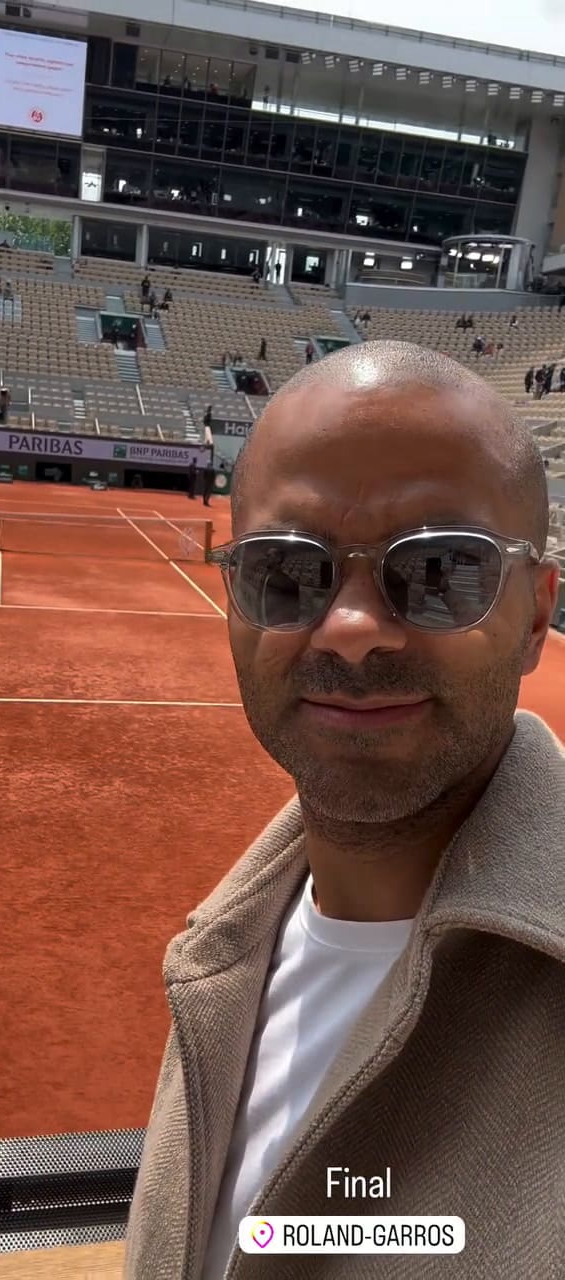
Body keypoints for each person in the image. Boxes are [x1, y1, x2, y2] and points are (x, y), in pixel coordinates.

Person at [124, 340, 563, 1280]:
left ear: (536, 614)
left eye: (443, 569)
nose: (354, 630)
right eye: (289, 570)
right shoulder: (223, 954)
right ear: (234, 601)